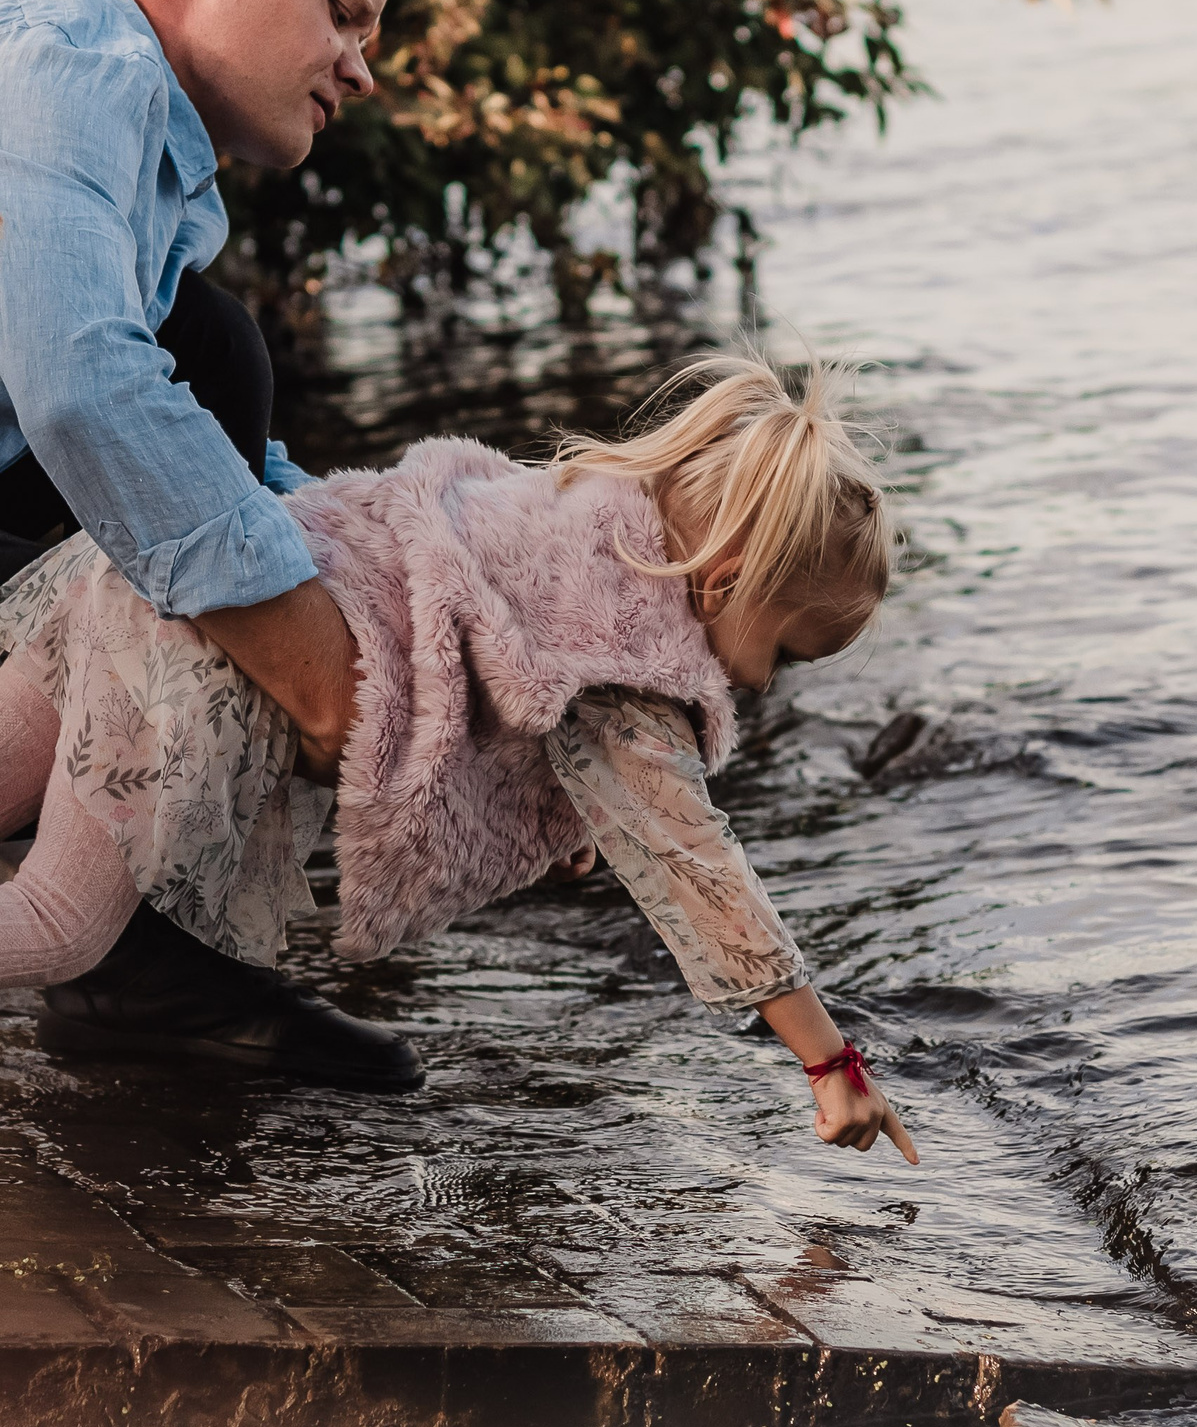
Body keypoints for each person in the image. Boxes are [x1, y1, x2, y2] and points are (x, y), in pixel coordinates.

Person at [0, 351, 921, 1159]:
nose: (765, 687)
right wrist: (828, 1058)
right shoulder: (632, 653)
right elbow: (692, 862)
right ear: (725, 581)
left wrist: (550, 803)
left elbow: (495, 677)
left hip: (154, 570)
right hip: (195, 652)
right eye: (788, 654)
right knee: (60, 926)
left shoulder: (580, 520)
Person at [0, 0, 385, 1079]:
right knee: (199, 363)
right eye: (341, 9)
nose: (361, 65)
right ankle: (125, 959)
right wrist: (320, 667)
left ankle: (133, 957)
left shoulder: (101, 94)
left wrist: (420, 618)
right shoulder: (71, 64)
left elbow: (229, 472)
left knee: (208, 362)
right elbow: (80, 389)